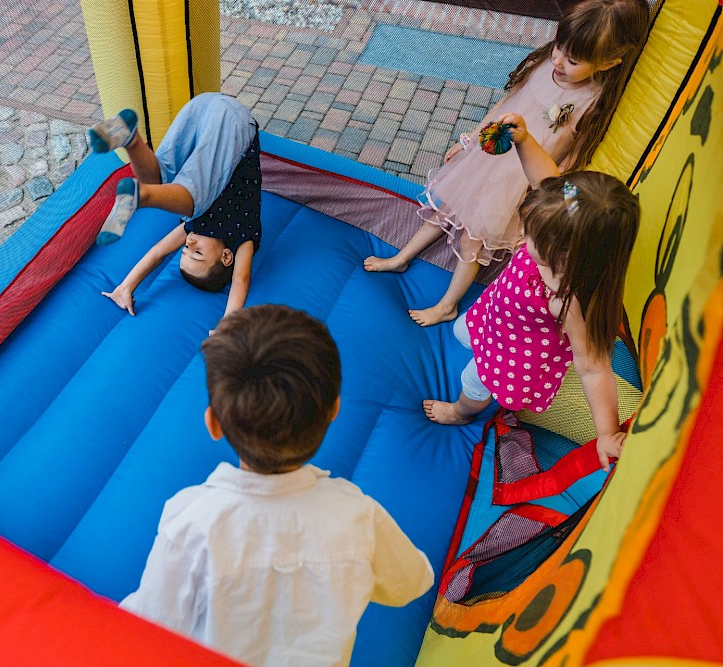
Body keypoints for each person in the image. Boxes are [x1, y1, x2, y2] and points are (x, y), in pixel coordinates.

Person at [120, 304, 434, 667]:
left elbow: (146, 626)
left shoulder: (192, 521)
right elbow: (411, 583)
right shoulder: (357, 516)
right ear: (334, 410)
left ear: (214, 424)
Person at [364, 0, 649, 327]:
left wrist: (548, 197)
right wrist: (470, 138)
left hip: (516, 180)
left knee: (475, 238)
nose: (558, 60)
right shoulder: (546, 65)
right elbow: (507, 102)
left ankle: (447, 305)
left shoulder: (592, 101)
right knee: (448, 205)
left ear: (610, 61)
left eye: (572, 60)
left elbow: (572, 158)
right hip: (489, 156)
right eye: (558, 47)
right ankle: (400, 258)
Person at [422, 112, 640, 473]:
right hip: (495, 316)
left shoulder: (568, 299)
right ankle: (474, 351)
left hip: (512, 355)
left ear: (570, 254)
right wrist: (524, 141)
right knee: (466, 332)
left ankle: (459, 413)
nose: (524, 234)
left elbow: (593, 367)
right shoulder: (563, 216)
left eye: (534, 237)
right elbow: (546, 180)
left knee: (474, 383)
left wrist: (606, 432)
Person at [91, 93, 261, 319]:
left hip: (202, 108)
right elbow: (241, 280)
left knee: (159, 179)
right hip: (234, 124)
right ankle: (141, 196)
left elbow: (158, 252)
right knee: (193, 203)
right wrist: (227, 325)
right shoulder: (243, 236)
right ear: (226, 257)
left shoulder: (194, 229)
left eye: (186, 250)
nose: (189, 243)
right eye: (197, 252)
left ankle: (131, 140)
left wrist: (126, 287)